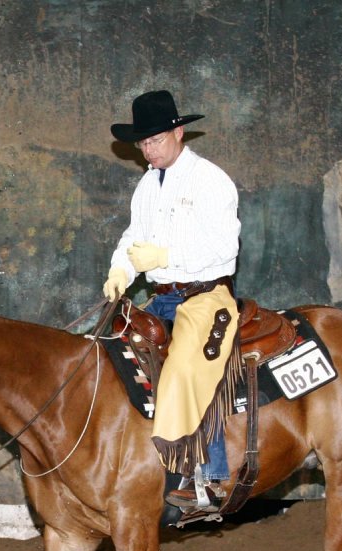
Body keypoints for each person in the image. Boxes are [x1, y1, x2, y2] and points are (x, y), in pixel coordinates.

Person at [104, 89, 241, 511]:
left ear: (179, 133)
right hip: (161, 297)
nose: (148, 150)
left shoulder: (210, 179)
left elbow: (225, 247)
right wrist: (120, 271)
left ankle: (206, 478)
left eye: (155, 140)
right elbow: (133, 237)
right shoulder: (148, 185)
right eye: (143, 143)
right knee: (109, 350)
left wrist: (166, 257)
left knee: (184, 367)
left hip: (205, 295)